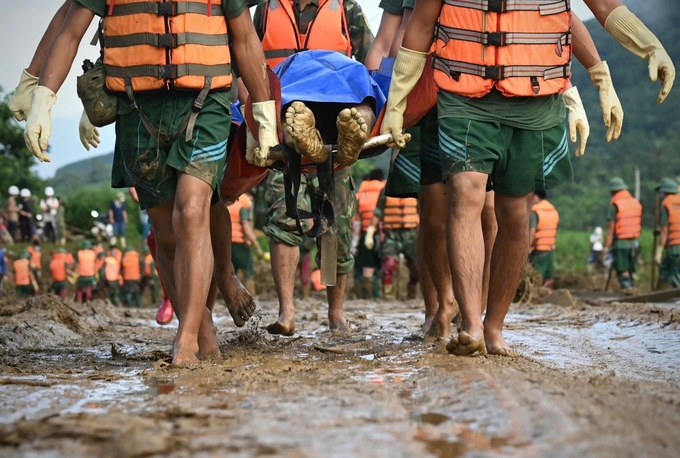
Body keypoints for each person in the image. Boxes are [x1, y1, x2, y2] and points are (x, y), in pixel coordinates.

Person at [380, 0, 674, 357]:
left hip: (536, 97)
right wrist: (396, 101)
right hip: (463, 93)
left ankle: (494, 327)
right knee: (464, 193)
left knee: (515, 214)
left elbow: (598, 9)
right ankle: (470, 324)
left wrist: (645, 49)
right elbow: (423, 23)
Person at [23, 0, 276, 364]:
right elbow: (71, 31)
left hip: (207, 98)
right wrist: (42, 99)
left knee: (192, 210)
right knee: (166, 233)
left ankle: (186, 338)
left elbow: (246, 39)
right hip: (136, 106)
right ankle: (202, 329)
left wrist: (263, 115)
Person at [248, 0, 374, 336]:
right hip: (281, 126)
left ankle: (336, 313)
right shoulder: (265, 10)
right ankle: (286, 311)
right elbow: (247, 61)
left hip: (337, 127)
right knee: (282, 217)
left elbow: (370, 64)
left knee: (333, 222)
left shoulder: (347, 10)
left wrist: (374, 111)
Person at [367, 190, 419, 300]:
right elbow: (378, 212)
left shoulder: (416, 186)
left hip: (411, 234)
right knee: (388, 265)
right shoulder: (386, 189)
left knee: (417, 268)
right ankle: (388, 296)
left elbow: (424, 211)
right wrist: (370, 232)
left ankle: (412, 295)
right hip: (391, 234)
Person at [604, 177, 642, 293]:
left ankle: (627, 289)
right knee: (631, 268)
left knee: (622, 268)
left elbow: (611, 230)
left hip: (621, 243)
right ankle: (632, 288)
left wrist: (606, 247)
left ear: (613, 191)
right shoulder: (635, 203)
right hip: (634, 243)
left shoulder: (615, 205)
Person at [353, 168, 386, 299]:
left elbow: (354, 219)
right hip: (382, 233)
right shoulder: (384, 191)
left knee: (364, 265)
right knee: (381, 265)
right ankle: (379, 295)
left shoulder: (360, 193)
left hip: (363, 233)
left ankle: (363, 295)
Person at [229, 193, 263, 296]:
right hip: (240, 243)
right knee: (248, 272)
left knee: (230, 272)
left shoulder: (228, 200)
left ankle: (230, 296)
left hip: (226, 243)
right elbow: (246, 226)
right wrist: (257, 246)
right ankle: (250, 297)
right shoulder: (243, 203)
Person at [529, 190, 559, 290]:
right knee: (549, 274)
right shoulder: (553, 211)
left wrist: (527, 247)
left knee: (536, 273)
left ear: (536, 197)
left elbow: (532, 232)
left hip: (539, 248)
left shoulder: (535, 212)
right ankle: (548, 294)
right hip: (550, 247)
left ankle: (535, 293)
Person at [655, 178, 680, 289]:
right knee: (670, 267)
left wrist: (659, 250)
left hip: (676, 245)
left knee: (671, 269)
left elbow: (664, 230)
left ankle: (667, 291)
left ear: (664, 192)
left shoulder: (666, 205)